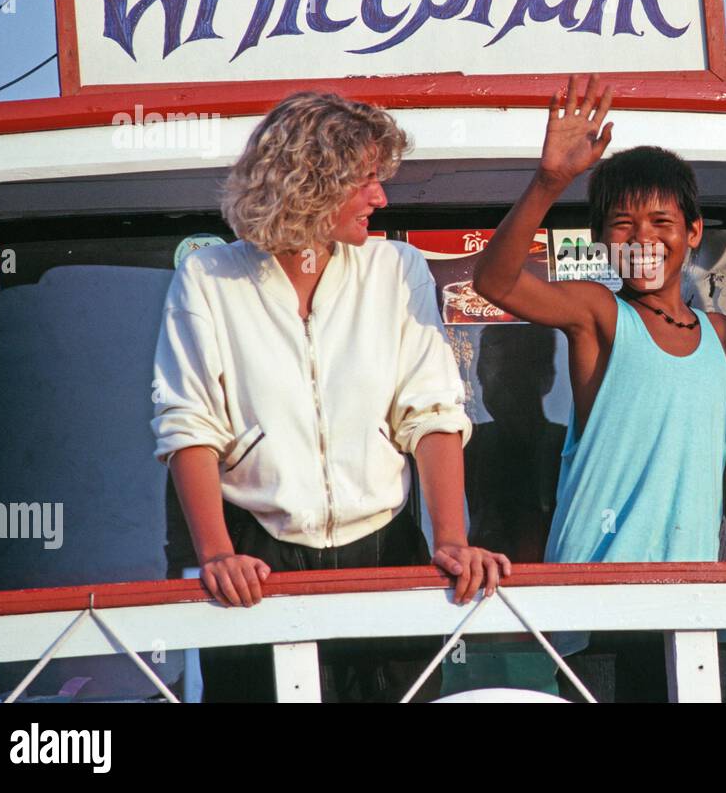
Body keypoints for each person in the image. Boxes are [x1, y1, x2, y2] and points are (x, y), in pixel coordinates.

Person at [151, 91, 511, 702]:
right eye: (366, 179)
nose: (382, 197)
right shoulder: (209, 277)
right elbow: (189, 423)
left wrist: (451, 538)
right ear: (309, 181)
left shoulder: (397, 268)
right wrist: (216, 555)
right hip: (254, 563)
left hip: (388, 549)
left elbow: (431, 411)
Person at [473, 75, 726, 701]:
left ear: (693, 232)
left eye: (661, 220)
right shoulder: (600, 315)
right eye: (622, 224)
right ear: (600, 242)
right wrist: (550, 181)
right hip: (600, 614)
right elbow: (496, 281)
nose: (643, 237)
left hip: (697, 614)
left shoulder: (724, 337)